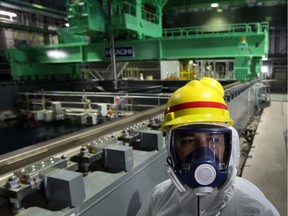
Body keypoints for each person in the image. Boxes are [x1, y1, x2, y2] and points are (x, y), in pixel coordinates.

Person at [137, 77, 279, 216]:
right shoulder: (159, 199)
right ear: (172, 148)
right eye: (189, 141)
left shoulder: (254, 208)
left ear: (229, 144)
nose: (203, 152)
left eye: (214, 140)